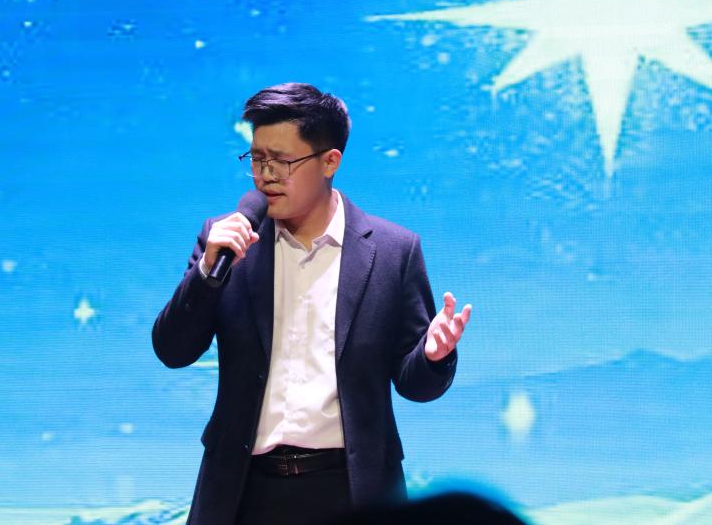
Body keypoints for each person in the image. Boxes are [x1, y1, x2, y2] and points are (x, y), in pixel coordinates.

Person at [152, 82, 473, 525]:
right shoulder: (225, 241)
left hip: (352, 489)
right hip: (242, 490)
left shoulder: (393, 251)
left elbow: (415, 385)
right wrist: (206, 274)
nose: (266, 175)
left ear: (329, 161)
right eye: (257, 159)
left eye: (281, 161)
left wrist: (434, 356)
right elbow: (173, 350)